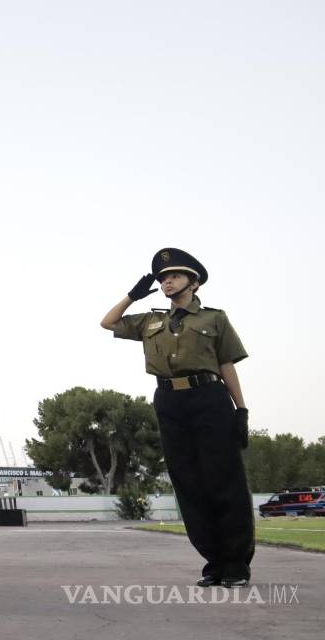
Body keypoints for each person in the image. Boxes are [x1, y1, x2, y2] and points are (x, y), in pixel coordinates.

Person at [101, 248, 253, 588]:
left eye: (174, 276)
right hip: (168, 400)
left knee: (223, 480)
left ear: (193, 282)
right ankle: (214, 562)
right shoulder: (149, 320)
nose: (166, 282)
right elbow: (107, 322)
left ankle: (236, 564)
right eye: (162, 278)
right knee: (188, 484)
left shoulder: (214, 319)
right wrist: (131, 296)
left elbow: (226, 364)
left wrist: (240, 410)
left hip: (209, 397)